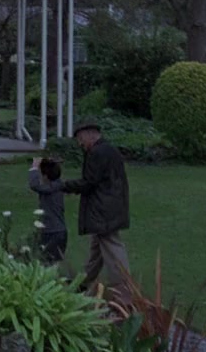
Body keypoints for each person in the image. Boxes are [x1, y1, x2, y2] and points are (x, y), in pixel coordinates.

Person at [61, 119, 131, 296]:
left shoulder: (97, 153)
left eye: (80, 139)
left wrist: (64, 186)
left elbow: (89, 182)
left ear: (90, 134)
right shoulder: (109, 150)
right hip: (112, 205)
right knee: (96, 249)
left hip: (103, 209)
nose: (80, 143)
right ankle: (82, 283)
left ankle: (124, 291)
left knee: (112, 248)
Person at [28, 155, 68, 264]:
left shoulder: (49, 188)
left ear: (45, 176)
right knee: (54, 263)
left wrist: (34, 167)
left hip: (51, 231)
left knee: (46, 262)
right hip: (61, 231)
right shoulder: (59, 185)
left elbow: (34, 185)